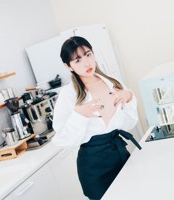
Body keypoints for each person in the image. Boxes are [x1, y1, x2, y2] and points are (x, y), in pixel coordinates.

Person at [51, 36, 141, 200]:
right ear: (68, 66)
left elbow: (129, 123)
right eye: (77, 60)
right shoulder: (68, 94)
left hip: (120, 153)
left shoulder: (113, 82)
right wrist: (79, 116)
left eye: (88, 54)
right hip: (93, 166)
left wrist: (129, 96)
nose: (87, 63)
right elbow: (61, 140)